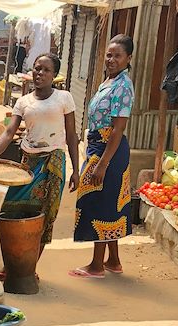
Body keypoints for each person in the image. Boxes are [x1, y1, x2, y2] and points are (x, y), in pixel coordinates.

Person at [0, 53, 79, 280]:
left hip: (53, 164)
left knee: (43, 217)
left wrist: (76, 171)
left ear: (54, 75)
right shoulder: (23, 102)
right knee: (12, 211)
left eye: (46, 70)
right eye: (37, 68)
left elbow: (72, 136)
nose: (39, 73)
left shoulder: (64, 98)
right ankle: (10, 266)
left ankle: (28, 269)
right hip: (27, 165)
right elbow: (9, 133)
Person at [68, 35, 135, 278]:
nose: (111, 59)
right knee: (109, 205)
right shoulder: (108, 81)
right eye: (109, 54)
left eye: (118, 56)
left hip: (109, 151)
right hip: (99, 147)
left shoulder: (123, 86)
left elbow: (118, 129)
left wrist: (103, 164)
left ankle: (96, 266)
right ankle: (113, 261)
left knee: (98, 202)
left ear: (128, 59)